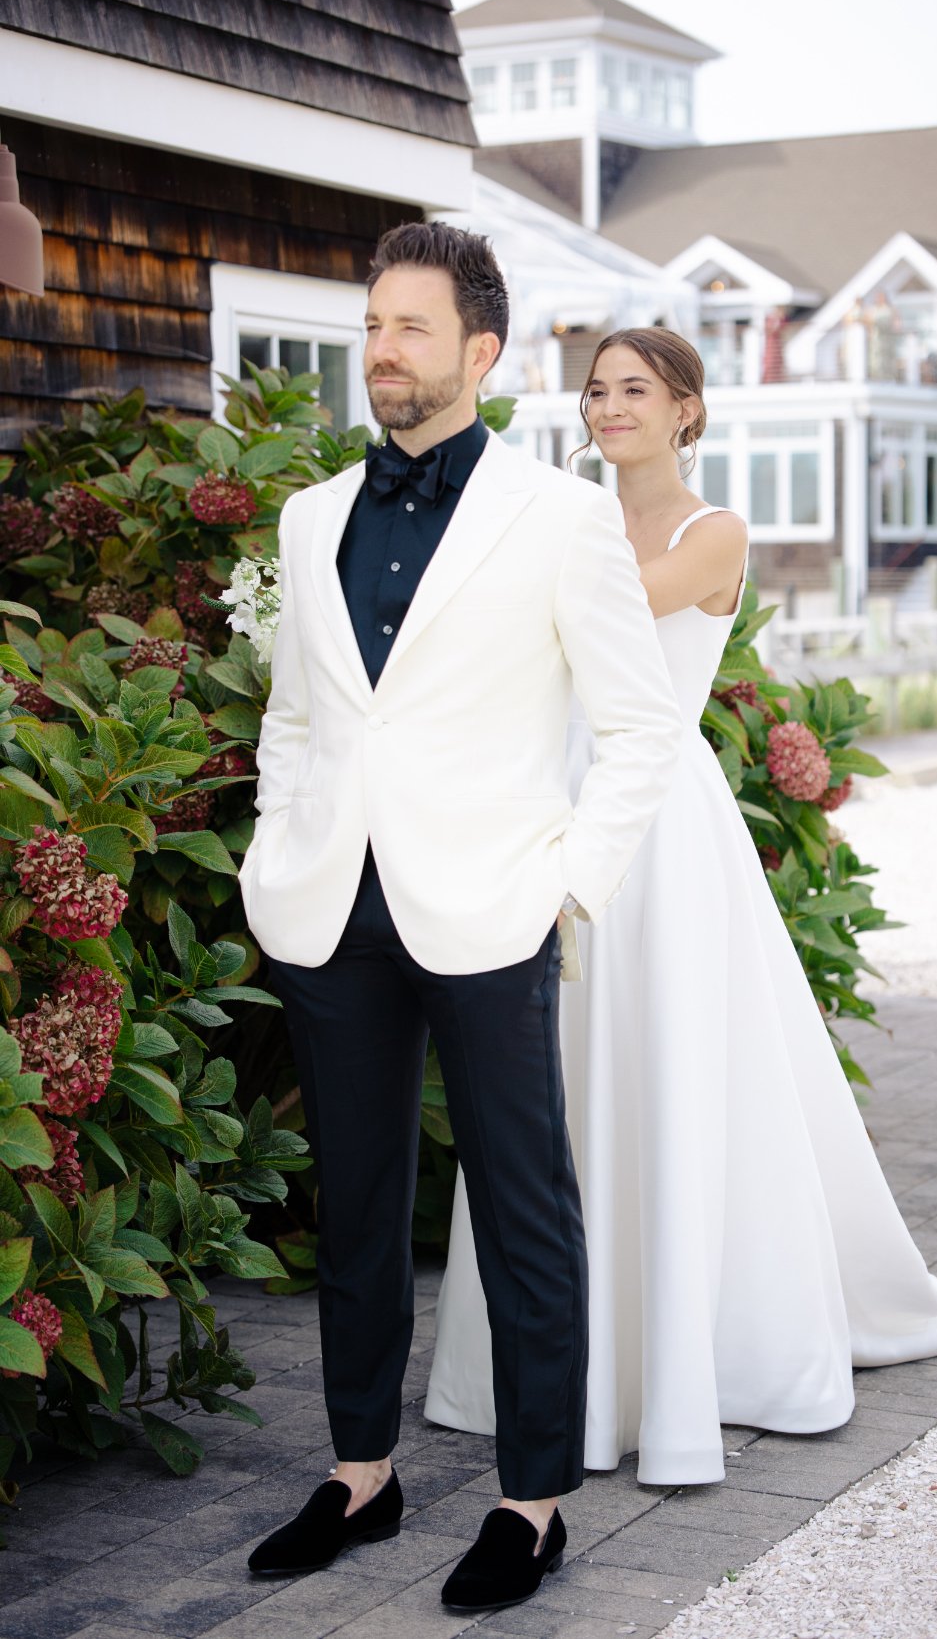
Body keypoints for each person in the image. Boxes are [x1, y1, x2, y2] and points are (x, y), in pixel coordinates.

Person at [426, 328, 937, 1486]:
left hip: (655, 825)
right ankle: (556, 1364)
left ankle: (687, 1361)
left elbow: (576, 624)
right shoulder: (561, 515)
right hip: (545, 811)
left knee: (663, 1072)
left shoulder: (710, 534)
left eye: (635, 389)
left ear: (687, 410)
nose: (608, 406)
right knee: (549, 1088)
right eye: (594, 390)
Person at [239, 232, 682, 1608]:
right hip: (332, 913)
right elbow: (297, 719)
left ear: (479, 353)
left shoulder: (557, 517)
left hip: (492, 908)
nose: (383, 348)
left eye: (412, 328)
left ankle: (532, 1501)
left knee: (525, 1209)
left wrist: (563, 887)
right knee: (356, 1206)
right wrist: (274, 852)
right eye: (373, 324)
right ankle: (361, 1472)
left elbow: (641, 728)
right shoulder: (312, 516)